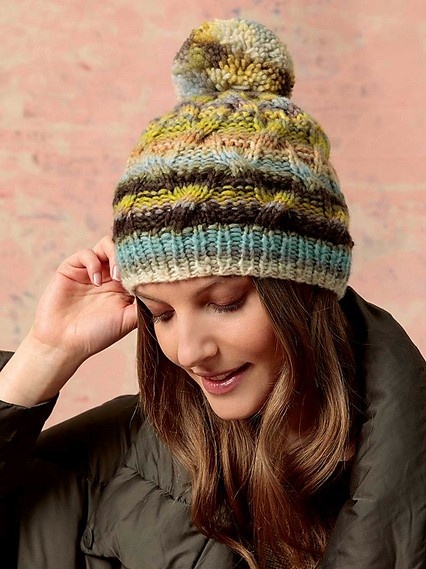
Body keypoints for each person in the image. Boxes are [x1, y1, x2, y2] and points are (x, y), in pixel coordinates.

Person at [0, 18, 424, 569]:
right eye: (160, 313)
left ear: (304, 292)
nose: (188, 351)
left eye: (224, 303)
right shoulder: (119, 458)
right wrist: (45, 355)